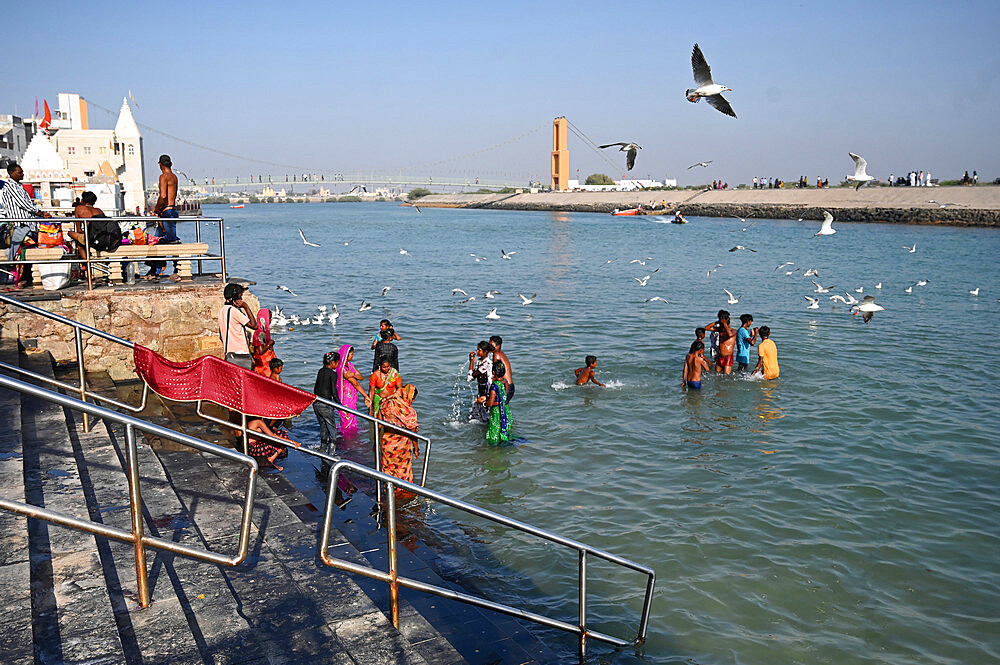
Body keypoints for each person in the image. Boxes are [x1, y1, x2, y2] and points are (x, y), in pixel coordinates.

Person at [1, 163, 52, 285]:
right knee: (21, 251)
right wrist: (39, 212)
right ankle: (22, 277)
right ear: (12, 173)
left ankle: (27, 276)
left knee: (28, 250)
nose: (22, 174)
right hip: (20, 224)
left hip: (28, 223)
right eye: (20, 172)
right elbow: (23, 204)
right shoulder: (11, 187)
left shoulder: (19, 186)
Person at [378, 384, 420, 496]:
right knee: (403, 472)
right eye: (413, 398)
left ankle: (389, 493)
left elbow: (379, 426)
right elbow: (413, 432)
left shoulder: (385, 403)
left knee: (388, 470)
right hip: (402, 447)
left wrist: (376, 443)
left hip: (387, 443)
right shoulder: (408, 411)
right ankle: (401, 495)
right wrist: (416, 448)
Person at [146, 154, 180, 280]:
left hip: (167, 211)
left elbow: (163, 196)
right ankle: (156, 268)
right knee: (156, 239)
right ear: (171, 164)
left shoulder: (163, 176)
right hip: (172, 210)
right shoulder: (175, 177)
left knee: (171, 240)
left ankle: (174, 267)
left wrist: (157, 208)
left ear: (160, 165)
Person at [218, 283, 258, 369]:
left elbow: (221, 334)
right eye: (240, 296)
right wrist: (246, 307)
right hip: (241, 354)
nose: (241, 298)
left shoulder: (222, 310)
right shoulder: (234, 311)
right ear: (235, 296)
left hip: (229, 353)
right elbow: (254, 326)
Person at [335, 344, 370, 436]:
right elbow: (356, 383)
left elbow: (361, 377)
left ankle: (351, 433)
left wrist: (354, 374)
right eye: (351, 354)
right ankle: (348, 438)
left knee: (352, 416)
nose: (352, 356)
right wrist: (366, 396)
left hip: (351, 396)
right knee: (347, 417)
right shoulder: (343, 369)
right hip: (345, 397)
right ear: (346, 355)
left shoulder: (350, 365)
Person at [313, 351, 340, 456]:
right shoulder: (333, 374)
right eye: (337, 363)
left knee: (323, 427)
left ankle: (322, 449)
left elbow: (316, 389)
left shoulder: (320, 371)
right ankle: (332, 453)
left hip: (317, 403)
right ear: (332, 363)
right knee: (332, 429)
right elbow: (334, 392)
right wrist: (340, 406)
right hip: (325, 405)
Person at [485, 361, 512, 445]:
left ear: (493, 372)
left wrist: (483, 402)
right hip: (505, 409)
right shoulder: (505, 382)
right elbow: (504, 398)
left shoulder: (494, 386)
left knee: (495, 431)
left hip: (496, 411)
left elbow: (490, 403)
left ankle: (494, 449)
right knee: (502, 428)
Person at [467, 340, 493, 422]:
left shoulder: (487, 364)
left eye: (479, 350)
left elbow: (473, 375)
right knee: (471, 417)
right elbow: (470, 379)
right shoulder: (479, 362)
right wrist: (471, 361)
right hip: (481, 394)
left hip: (487, 395)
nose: (477, 351)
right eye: (477, 349)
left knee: (486, 418)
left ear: (485, 352)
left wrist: (472, 361)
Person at [705, 310, 736, 374]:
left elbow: (729, 335)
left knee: (726, 377)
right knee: (717, 375)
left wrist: (724, 323)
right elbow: (706, 328)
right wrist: (717, 322)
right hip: (720, 356)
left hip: (728, 357)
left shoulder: (733, 331)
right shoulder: (720, 330)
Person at [251, 309, 277, 376]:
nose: (270, 320)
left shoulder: (264, 332)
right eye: (269, 318)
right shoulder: (260, 332)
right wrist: (269, 343)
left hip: (266, 366)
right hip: (263, 368)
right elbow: (260, 351)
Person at [489, 335, 515, 401]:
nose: (490, 347)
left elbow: (495, 373)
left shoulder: (496, 354)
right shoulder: (501, 353)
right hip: (509, 386)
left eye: (491, 346)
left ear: (498, 346)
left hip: (506, 386)